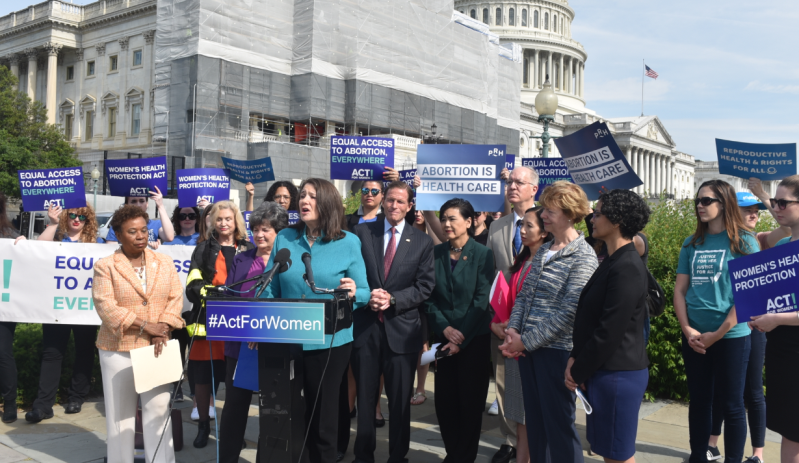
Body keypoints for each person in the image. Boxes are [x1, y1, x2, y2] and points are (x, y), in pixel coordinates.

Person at [262, 178, 370, 463]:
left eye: (312, 196)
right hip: (287, 337)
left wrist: (353, 292)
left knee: (322, 415)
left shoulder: (348, 242)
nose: (304, 201)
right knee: (290, 412)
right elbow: (271, 287)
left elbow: (364, 292)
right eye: (302, 196)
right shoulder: (285, 238)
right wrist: (264, 320)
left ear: (327, 203)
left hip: (329, 341)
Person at [500, 181, 598, 463]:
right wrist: (513, 330)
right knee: (536, 426)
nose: (542, 215)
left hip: (556, 353)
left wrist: (524, 341)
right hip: (528, 350)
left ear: (569, 214)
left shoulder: (583, 256)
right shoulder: (544, 250)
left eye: (550, 211)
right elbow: (524, 296)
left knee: (559, 428)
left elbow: (569, 313)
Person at [92, 204, 185, 463]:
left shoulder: (164, 262)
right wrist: (146, 326)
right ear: (118, 235)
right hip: (117, 349)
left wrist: (162, 328)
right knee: (120, 418)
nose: (140, 236)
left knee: (159, 413)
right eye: (132, 232)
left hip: (157, 347)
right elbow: (106, 306)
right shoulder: (105, 266)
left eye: (144, 230)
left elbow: (175, 297)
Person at [350, 181, 435, 463]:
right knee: (365, 399)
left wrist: (393, 299)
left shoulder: (421, 241)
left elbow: (425, 286)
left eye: (400, 201)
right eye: (390, 200)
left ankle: (398, 456)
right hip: (366, 329)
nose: (394, 205)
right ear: (383, 201)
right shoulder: (362, 232)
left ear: (410, 206)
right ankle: (363, 456)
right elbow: (351, 274)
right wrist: (367, 297)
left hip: (402, 332)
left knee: (399, 402)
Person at [673, 180, 757, 463]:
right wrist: (687, 329)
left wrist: (718, 333)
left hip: (731, 336)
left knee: (732, 405)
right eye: (697, 201)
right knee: (699, 402)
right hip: (695, 337)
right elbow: (680, 291)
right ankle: (698, 456)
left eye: (706, 200)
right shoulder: (691, 243)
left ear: (724, 203)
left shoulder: (745, 241)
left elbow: (748, 295)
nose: (700, 205)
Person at [566, 190, 651, 463]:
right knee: (609, 452)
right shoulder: (614, 259)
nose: (592, 219)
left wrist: (577, 369)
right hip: (605, 372)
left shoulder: (627, 266)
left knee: (617, 455)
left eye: (598, 213)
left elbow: (609, 330)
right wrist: (576, 359)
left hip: (617, 375)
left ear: (617, 220)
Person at [706, 190, 780, 463]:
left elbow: (787, 227)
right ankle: (712, 445)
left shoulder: (759, 239)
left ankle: (757, 453)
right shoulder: (722, 241)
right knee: (721, 389)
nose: (753, 214)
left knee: (752, 390)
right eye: (747, 209)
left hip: (753, 326)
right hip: (728, 326)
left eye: (756, 210)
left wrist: (763, 195)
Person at [425, 198, 495, 463]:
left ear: (468, 222)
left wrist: (460, 337)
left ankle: (464, 457)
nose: (446, 223)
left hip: (473, 340)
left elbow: (481, 300)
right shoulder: (435, 253)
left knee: (470, 403)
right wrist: (444, 329)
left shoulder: (483, 254)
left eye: (452, 218)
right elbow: (428, 297)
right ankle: (452, 453)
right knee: (445, 403)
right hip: (443, 338)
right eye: (443, 218)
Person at [219, 202, 288, 462]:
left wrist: (264, 331)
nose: (259, 235)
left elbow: (289, 303)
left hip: (274, 345)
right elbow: (230, 297)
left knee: (272, 410)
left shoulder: (288, 262)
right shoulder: (241, 259)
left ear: (279, 232)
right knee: (235, 406)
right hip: (240, 345)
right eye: (256, 229)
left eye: (266, 229)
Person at [185, 200, 255, 448]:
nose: (223, 223)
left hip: (238, 324)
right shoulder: (203, 249)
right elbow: (192, 284)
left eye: (228, 219)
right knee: (203, 379)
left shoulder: (249, 248)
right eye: (219, 219)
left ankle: (232, 434)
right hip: (208, 322)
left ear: (236, 221)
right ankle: (203, 426)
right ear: (212, 222)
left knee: (236, 384)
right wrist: (212, 294)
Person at [25, 203, 103, 423]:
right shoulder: (56, 240)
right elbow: (38, 248)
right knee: (51, 353)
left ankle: (76, 397)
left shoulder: (97, 245)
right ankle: (43, 405)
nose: (77, 220)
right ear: (66, 217)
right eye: (73, 215)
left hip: (85, 308)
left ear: (88, 221)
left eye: (82, 217)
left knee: (84, 352)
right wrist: (52, 223)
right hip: (57, 307)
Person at [485, 165, 539, 463]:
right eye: (510, 182)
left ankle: (533, 443)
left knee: (532, 388)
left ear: (534, 189)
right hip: (502, 323)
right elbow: (491, 275)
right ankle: (510, 441)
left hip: (535, 326)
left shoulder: (547, 222)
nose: (512, 186)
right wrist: (495, 320)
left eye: (519, 182)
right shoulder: (497, 226)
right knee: (504, 385)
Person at [749, 175, 799, 463]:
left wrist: (776, 318)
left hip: (794, 351)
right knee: (789, 432)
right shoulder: (782, 247)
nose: (775, 207)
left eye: (783, 202)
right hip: (781, 352)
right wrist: (757, 314)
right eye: (774, 201)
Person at [0, 193, 25, 424]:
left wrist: (25, 246)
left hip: (3, 306)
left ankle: (9, 403)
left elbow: (29, 259)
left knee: (3, 353)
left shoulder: (9, 234)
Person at [105, 187, 175, 247]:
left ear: (147, 204)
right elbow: (111, 250)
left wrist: (160, 205)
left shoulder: (156, 224)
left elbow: (169, 237)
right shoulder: (117, 226)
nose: (138, 205)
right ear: (127, 204)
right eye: (133, 201)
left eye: (141, 201)